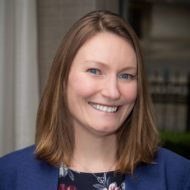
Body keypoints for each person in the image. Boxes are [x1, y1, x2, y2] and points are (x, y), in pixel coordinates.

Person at [0, 10, 189, 190]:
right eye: (94, 71)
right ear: (63, 80)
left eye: (126, 75)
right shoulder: (8, 175)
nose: (112, 92)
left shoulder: (179, 177)